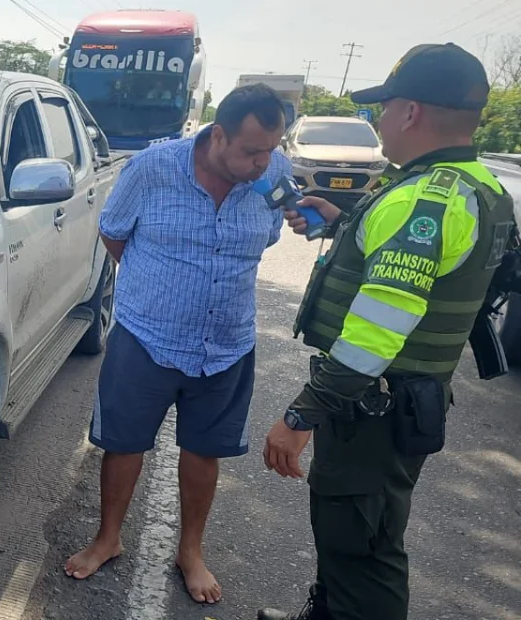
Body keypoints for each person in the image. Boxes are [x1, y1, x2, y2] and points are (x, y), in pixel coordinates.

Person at [259, 43, 518, 620]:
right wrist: (345, 220)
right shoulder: (478, 187)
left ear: (411, 112)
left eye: (384, 107)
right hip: (399, 401)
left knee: (364, 552)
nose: (377, 122)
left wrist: (302, 415)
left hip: (372, 405)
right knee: (345, 533)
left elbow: (376, 333)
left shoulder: (424, 200)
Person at [64, 83, 293, 605]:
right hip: (146, 336)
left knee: (204, 450)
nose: (263, 163)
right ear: (218, 135)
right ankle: (108, 538)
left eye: (271, 150)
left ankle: (190, 551)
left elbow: (273, 234)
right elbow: (113, 233)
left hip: (227, 342)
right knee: (123, 443)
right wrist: (156, 287)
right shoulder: (152, 169)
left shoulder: (275, 175)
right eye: (252, 151)